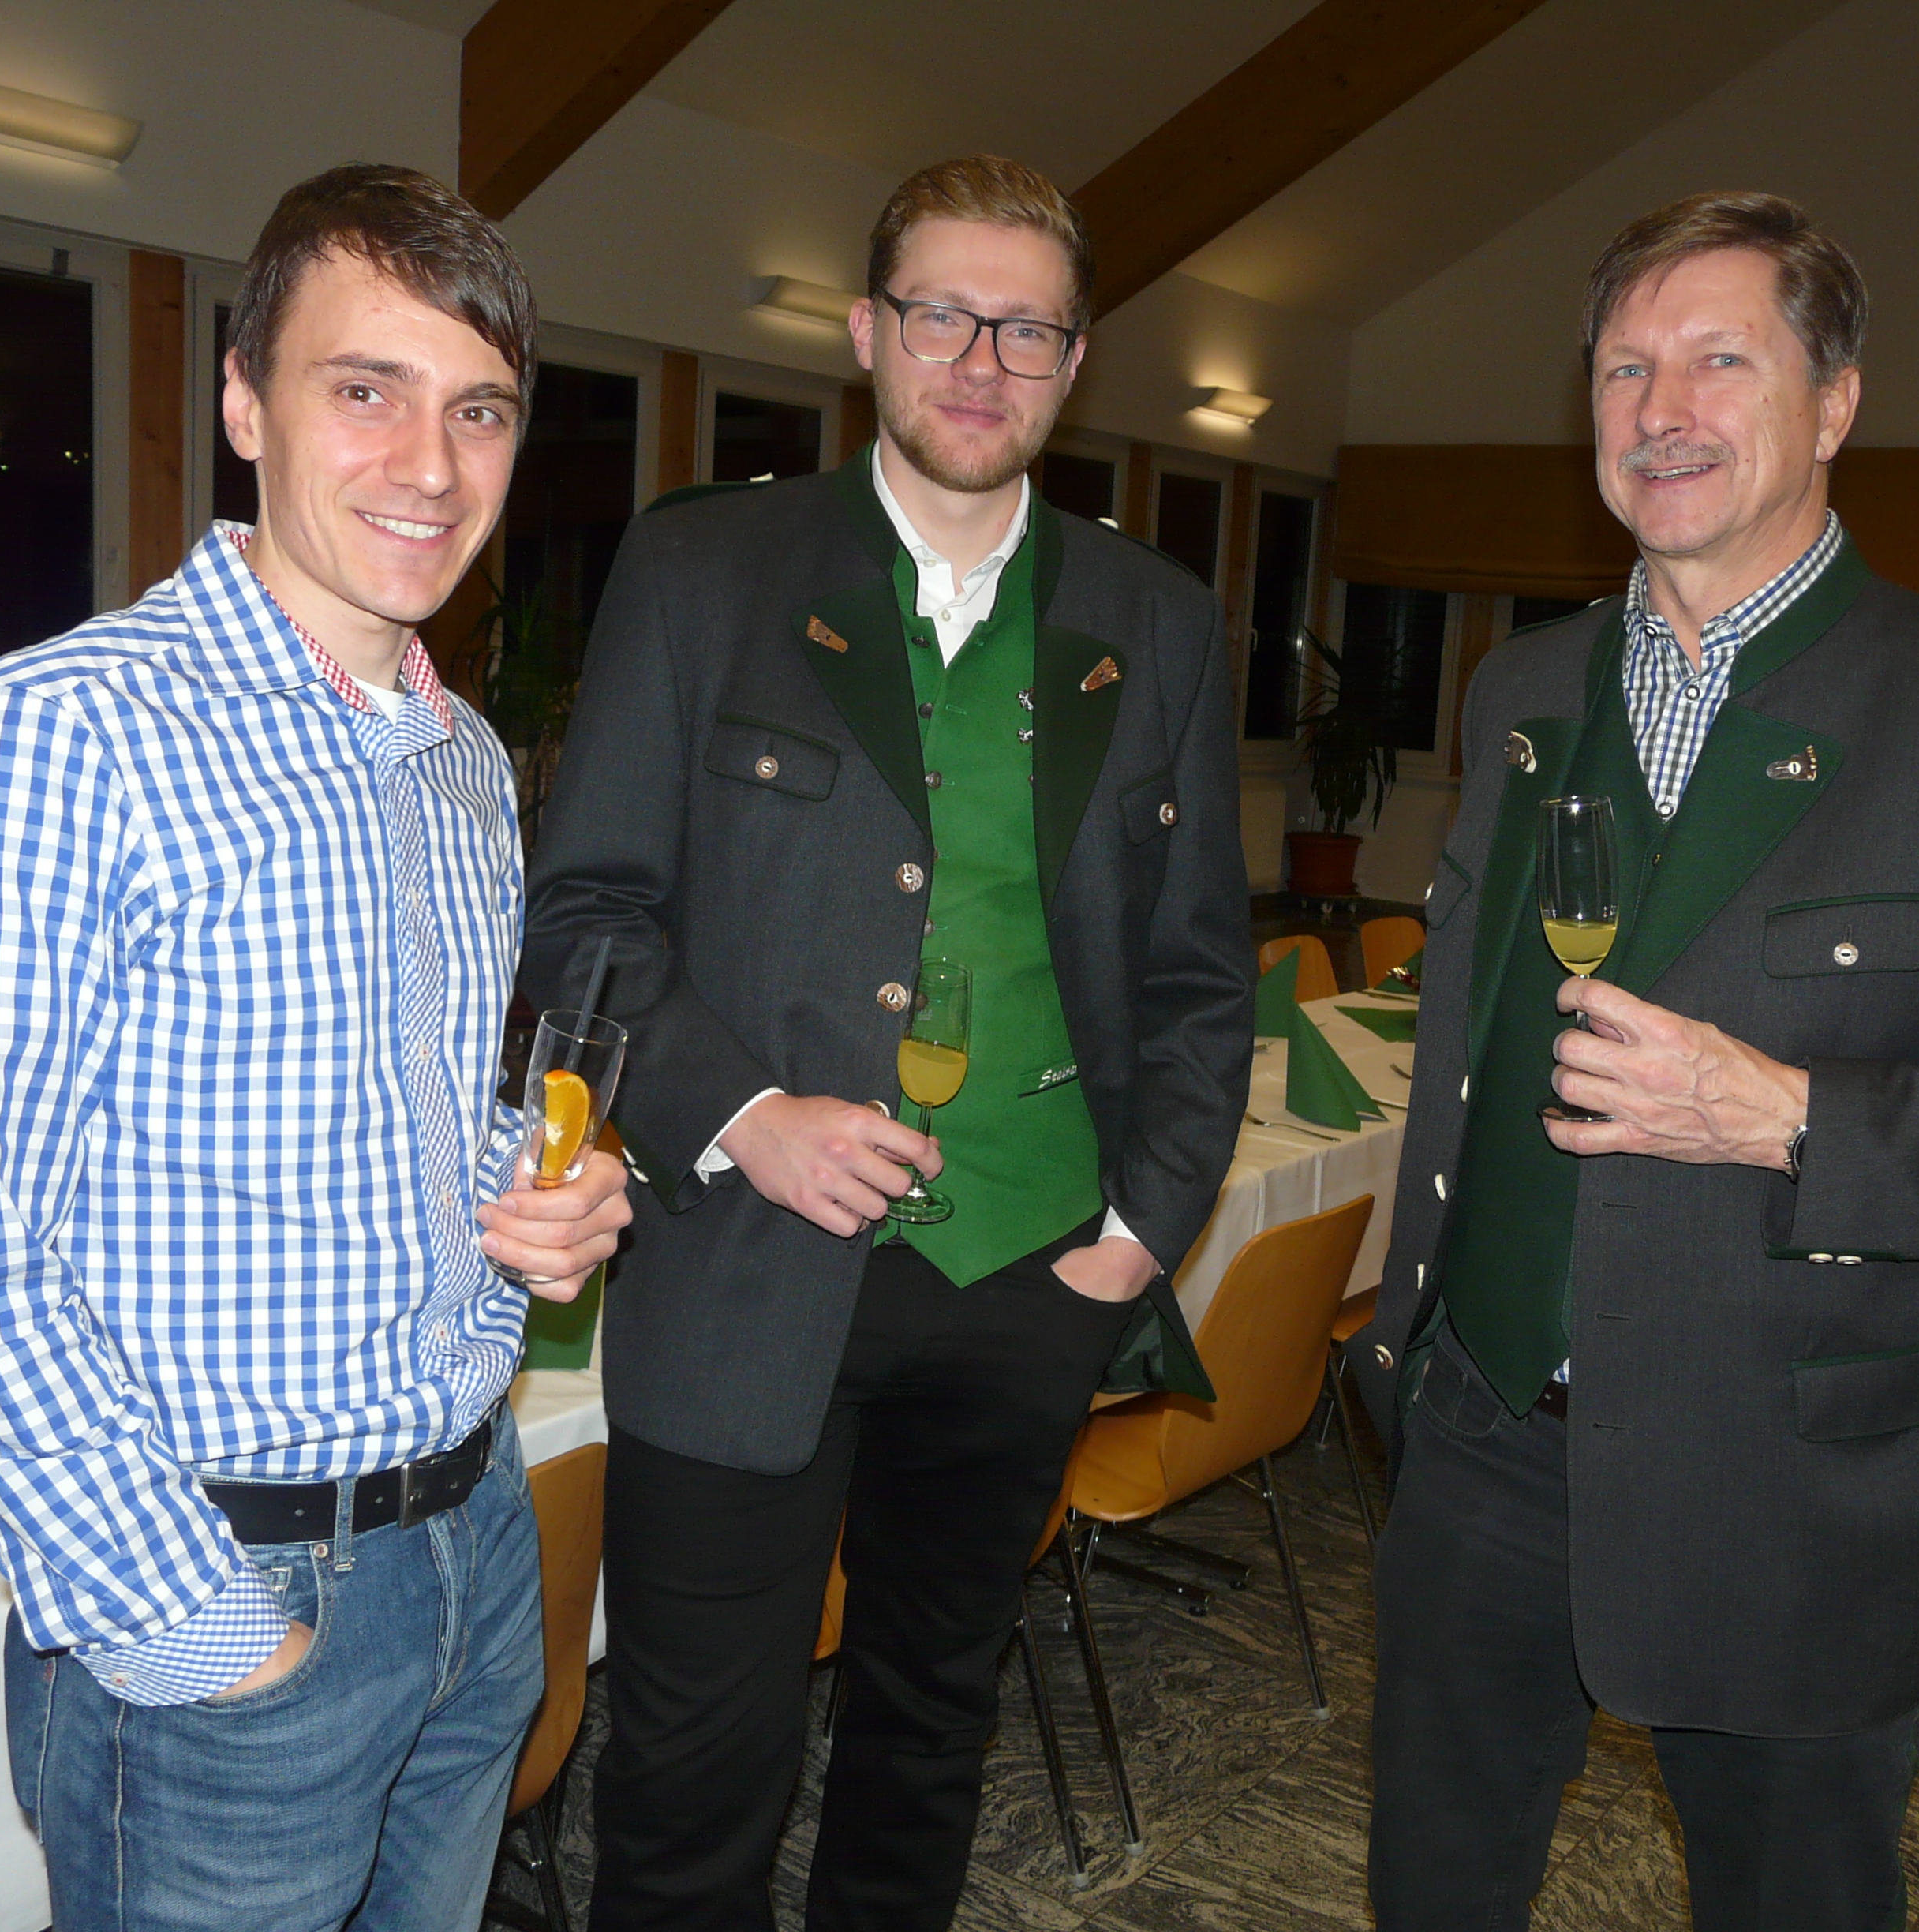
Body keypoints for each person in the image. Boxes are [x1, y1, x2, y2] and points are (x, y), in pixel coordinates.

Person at [1351, 190, 1919, 1932]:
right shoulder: (1522, 690)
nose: (1661, 410)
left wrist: (1793, 1118)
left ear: (1835, 405)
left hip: (1787, 1490)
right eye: (1624, 368)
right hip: (1485, 1440)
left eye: (1720, 361)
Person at [0, 164, 632, 1932]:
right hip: (228, 1596)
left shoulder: (460, 762)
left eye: (480, 409)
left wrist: (535, 1193)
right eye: (366, 389)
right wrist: (209, 1632)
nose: (430, 464)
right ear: (243, 404)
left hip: (474, 1545)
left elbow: (395, 1110)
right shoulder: (54, 737)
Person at [521, 153, 1253, 1930]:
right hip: (743, 1269)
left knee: (930, 1734)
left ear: (1075, 361)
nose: (981, 363)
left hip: (1032, 1274)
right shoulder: (706, 568)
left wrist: (1143, 1227)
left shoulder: (1152, 619)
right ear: (867, 332)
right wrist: (741, 1112)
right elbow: (584, 917)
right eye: (943, 316)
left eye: (1028, 329)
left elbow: (1198, 970)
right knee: (696, 1769)